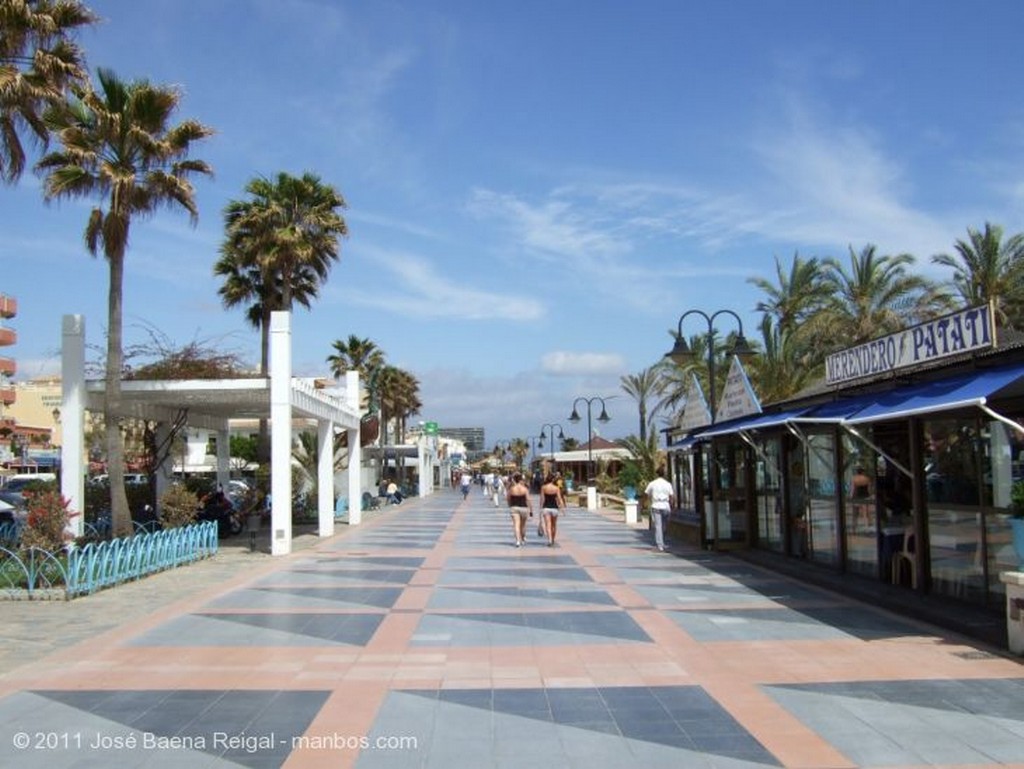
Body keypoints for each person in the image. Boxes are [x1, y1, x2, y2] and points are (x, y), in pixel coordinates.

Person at [644, 468, 675, 552]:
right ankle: (662, 543)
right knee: (664, 526)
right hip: (665, 505)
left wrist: (647, 502)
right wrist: (672, 505)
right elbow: (671, 496)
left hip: (656, 505)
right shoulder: (668, 484)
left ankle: (660, 545)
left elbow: (646, 493)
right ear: (664, 474)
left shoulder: (652, 483)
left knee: (658, 526)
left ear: (657, 474)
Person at [506, 472, 533, 547]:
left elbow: (508, 498)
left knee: (516, 525)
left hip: (514, 508)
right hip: (524, 508)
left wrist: (509, 505)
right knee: (523, 525)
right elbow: (528, 500)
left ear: (514, 480)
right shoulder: (525, 489)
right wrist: (531, 510)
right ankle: (523, 538)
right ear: (521, 480)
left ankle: (518, 541)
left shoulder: (512, 489)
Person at [539, 473, 565, 546]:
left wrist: (540, 508)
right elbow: (559, 499)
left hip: (546, 508)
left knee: (548, 525)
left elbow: (542, 499)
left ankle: (549, 540)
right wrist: (562, 509)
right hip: (554, 508)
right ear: (553, 479)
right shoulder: (556, 488)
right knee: (554, 525)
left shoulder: (543, 487)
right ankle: (553, 539)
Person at [850, 465, 872, 531]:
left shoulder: (854, 479)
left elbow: (852, 489)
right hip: (865, 496)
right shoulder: (867, 478)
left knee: (855, 513)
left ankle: (854, 527)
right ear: (862, 472)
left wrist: (851, 497)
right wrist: (870, 496)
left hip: (856, 496)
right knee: (866, 513)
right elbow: (869, 489)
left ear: (857, 472)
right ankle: (867, 526)